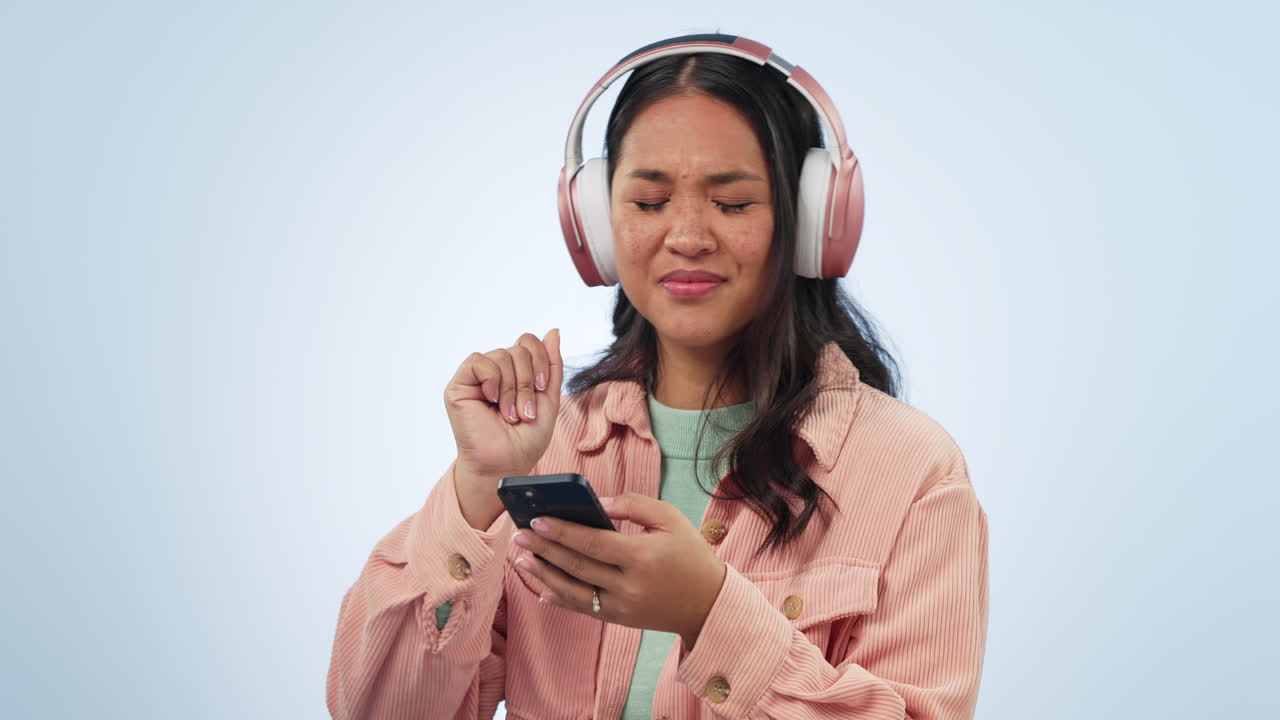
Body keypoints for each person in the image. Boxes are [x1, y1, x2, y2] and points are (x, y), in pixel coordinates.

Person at [327, 34, 988, 720]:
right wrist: (474, 493)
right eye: (648, 203)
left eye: (732, 204)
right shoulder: (548, 449)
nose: (688, 235)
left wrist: (711, 616)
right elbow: (376, 709)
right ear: (597, 222)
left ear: (813, 220)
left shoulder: (913, 473)